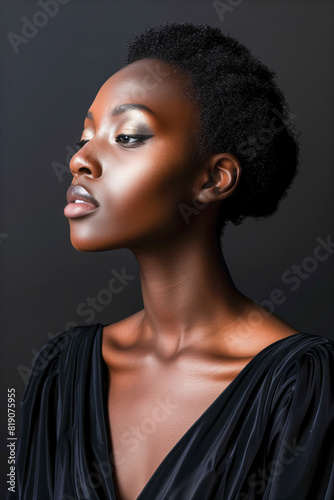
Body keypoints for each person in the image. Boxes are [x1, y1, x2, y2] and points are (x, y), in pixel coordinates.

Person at [11, 22, 334, 500]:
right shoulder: (58, 372)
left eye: (128, 136)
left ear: (213, 179)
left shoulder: (300, 387)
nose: (81, 159)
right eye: (86, 136)